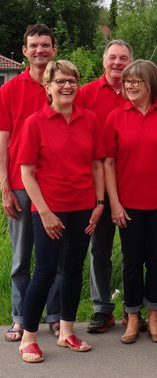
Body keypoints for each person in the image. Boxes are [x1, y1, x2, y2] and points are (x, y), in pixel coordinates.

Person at [18, 60, 105, 362]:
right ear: (48, 87)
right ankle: (29, 337)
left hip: (83, 206)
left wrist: (100, 203)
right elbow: (27, 173)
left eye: (72, 81)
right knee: (43, 272)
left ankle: (66, 332)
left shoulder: (90, 120)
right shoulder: (35, 123)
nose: (67, 86)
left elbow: (96, 164)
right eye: (60, 81)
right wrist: (44, 212)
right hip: (49, 209)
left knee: (73, 270)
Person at [103, 59, 157, 344]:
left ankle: (154, 317)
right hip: (129, 205)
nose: (130, 86)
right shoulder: (115, 117)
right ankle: (133, 317)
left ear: (152, 84)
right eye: (127, 81)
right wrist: (114, 203)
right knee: (131, 262)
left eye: (137, 81)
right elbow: (108, 164)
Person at [0, 23, 61, 342]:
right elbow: (4, 139)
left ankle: (54, 315)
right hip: (21, 185)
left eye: (45, 45)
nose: (40, 50)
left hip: (55, 185)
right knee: (23, 255)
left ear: (54, 50)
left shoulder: (61, 86)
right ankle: (21, 317)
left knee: (55, 254)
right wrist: (4, 187)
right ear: (24, 51)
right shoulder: (10, 89)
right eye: (34, 45)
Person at [78, 39, 137, 334]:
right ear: (103, 61)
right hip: (95, 187)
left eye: (123, 58)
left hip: (132, 185)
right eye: (112, 57)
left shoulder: (139, 93)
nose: (117, 63)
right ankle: (102, 309)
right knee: (99, 249)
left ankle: (131, 307)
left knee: (132, 251)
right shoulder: (85, 93)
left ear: (131, 62)